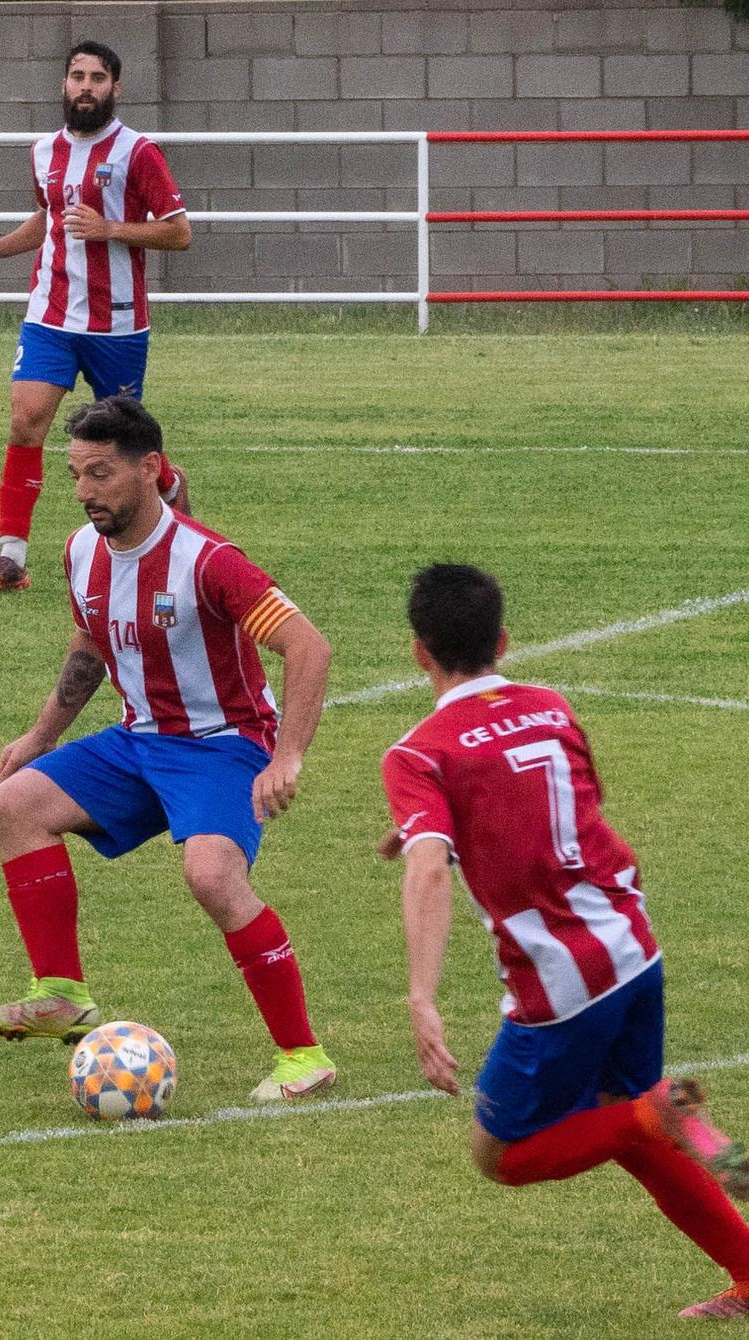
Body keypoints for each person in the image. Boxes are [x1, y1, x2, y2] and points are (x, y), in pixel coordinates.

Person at [383, 562, 749, 1321]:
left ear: (419, 650)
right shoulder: (551, 706)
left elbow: (429, 872)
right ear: (504, 640)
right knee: (628, 1127)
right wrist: (431, 826)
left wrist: (421, 997)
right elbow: (566, 807)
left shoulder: (419, 754)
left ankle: (661, 1110)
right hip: (634, 949)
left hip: (560, 986)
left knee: (504, 1155)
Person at [0, 396, 338, 1104]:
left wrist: (287, 756)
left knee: (211, 877)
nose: (83, 493)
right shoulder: (82, 552)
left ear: (151, 470)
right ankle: (59, 995)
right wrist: (40, 736)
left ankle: (303, 1055)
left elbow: (308, 645)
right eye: (76, 474)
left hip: (222, 748)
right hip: (140, 741)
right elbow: (89, 646)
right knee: (16, 802)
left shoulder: (209, 561)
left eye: (100, 474)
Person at [0, 40, 193, 592]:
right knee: (25, 419)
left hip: (118, 323)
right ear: (64, 84)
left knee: (126, 446)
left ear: (115, 88)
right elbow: (48, 221)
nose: (86, 87)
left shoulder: (139, 152)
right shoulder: (43, 151)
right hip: (51, 314)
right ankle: (10, 559)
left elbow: (179, 232)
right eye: (77, 76)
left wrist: (112, 229)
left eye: (98, 78)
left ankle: (172, 492)